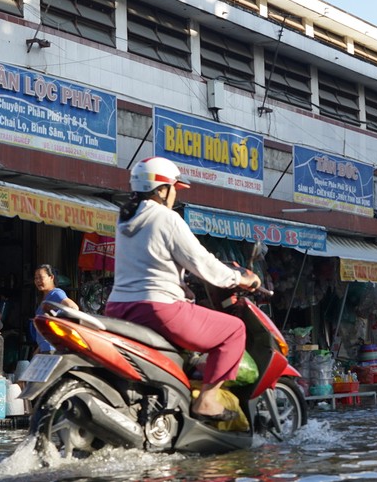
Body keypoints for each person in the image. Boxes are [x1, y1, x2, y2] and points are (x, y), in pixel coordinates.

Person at [104, 157, 262, 424]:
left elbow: (149, 262)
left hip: (118, 307)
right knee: (234, 330)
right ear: (162, 189)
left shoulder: (125, 219)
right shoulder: (167, 218)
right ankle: (207, 400)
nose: (176, 194)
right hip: (157, 309)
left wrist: (180, 284)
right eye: (174, 187)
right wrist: (241, 278)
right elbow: (203, 263)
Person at [31, 264, 79, 353]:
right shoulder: (45, 298)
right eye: (36, 278)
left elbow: (73, 308)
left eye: (41, 277)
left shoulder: (56, 293)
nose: (38, 281)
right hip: (44, 348)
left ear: (51, 277)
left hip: (52, 349)